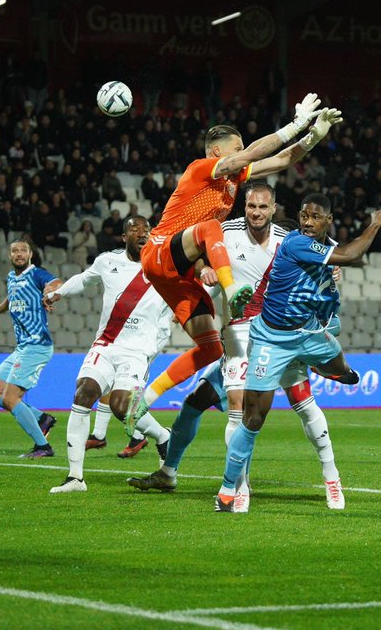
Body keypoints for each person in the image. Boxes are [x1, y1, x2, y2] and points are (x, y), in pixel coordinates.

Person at [124, 97, 340, 432]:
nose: (244, 152)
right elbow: (255, 153)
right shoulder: (200, 168)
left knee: (211, 348)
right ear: (216, 152)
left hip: (178, 274)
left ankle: (144, 399)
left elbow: (282, 159)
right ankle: (232, 287)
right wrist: (295, 125)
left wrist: (314, 136)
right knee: (212, 228)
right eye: (236, 148)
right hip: (159, 252)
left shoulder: (232, 179)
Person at [128, 190, 345, 511]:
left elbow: (324, 254)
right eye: (252, 206)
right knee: (196, 405)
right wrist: (203, 267)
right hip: (241, 341)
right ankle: (172, 473)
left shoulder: (288, 237)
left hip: (278, 336)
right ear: (246, 207)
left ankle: (330, 479)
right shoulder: (226, 232)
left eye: (263, 207)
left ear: (273, 208)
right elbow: (192, 250)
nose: (257, 212)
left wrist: (331, 273)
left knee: (302, 404)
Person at [214, 195, 381, 512]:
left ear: (328, 220)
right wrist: (375, 223)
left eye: (315, 217)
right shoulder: (296, 244)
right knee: (252, 418)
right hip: (272, 340)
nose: (307, 222)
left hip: (307, 334)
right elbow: (351, 255)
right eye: (304, 215)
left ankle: (332, 477)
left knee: (332, 374)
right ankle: (231, 489)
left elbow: (327, 287)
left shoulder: (325, 250)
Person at [41, 216, 175, 493]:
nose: (141, 234)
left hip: (137, 351)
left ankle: (163, 436)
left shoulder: (163, 265)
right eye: (134, 230)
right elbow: (84, 279)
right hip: (106, 344)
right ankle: (75, 478)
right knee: (83, 394)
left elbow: (194, 283)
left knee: (121, 407)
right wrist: (59, 293)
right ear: (123, 237)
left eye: (146, 231)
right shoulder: (107, 261)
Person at [0, 239, 62, 458]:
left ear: (30, 254)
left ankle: (43, 447)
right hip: (22, 348)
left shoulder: (36, 274)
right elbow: (11, 297)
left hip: (37, 346)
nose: (19, 254)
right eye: (15, 251)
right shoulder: (11, 278)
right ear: (10, 255)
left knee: (10, 397)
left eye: (23, 250)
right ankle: (42, 419)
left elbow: (56, 282)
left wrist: (50, 293)